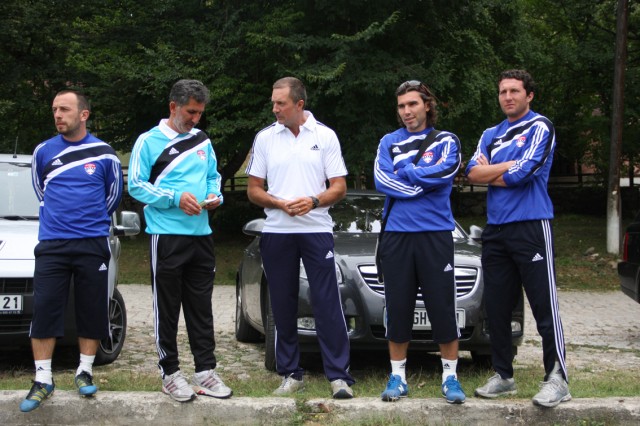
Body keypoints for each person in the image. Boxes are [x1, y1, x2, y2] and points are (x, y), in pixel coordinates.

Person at [466, 69, 570, 407]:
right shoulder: (490, 134)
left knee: (543, 305)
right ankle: (503, 375)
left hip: (531, 225)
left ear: (529, 95)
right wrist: (506, 167)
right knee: (497, 307)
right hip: (496, 230)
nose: (508, 97)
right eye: (503, 92)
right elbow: (471, 173)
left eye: (514, 91)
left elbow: (524, 173)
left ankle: (557, 378)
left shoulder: (540, 127)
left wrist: (492, 171)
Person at [246, 76, 355, 399]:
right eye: (273, 103)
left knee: (326, 302)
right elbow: (253, 190)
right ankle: (291, 374)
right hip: (277, 231)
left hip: (317, 229)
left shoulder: (325, 135)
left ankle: (338, 377)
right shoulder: (265, 138)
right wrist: (278, 203)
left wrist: (314, 201)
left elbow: (339, 186)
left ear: (299, 104)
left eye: (281, 103)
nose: (275, 108)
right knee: (282, 304)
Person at [128, 79, 232, 402]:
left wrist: (215, 196)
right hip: (166, 235)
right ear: (173, 107)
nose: (195, 119)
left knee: (201, 307)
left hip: (201, 236)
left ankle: (205, 371)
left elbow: (213, 176)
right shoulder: (148, 141)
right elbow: (135, 185)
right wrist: (174, 198)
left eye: (200, 113)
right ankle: (170, 373)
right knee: (168, 307)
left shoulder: (202, 140)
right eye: (190, 112)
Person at [20, 89, 123, 412]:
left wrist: (87, 222)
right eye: (54, 109)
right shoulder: (43, 152)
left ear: (83, 114)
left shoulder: (105, 154)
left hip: (92, 243)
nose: (57, 115)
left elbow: (112, 197)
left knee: (92, 307)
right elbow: (41, 191)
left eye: (64, 109)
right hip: (52, 243)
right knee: (45, 308)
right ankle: (43, 378)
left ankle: (84, 370)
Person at [373, 80, 466, 404]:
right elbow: (382, 179)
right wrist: (421, 183)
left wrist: (407, 171)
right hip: (397, 235)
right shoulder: (388, 141)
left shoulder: (446, 140)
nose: (407, 111)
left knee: (442, 306)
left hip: (435, 234)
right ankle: (397, 378)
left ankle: (450, 378)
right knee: (398, 307)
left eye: (412, 104)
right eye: (401, 106)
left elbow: (446, 173)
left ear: (427, 105)